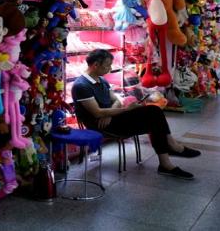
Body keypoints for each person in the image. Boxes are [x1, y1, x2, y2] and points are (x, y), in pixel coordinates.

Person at [71, 49, 200, 180]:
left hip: (110, 118)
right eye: (107, 65)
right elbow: (97, 112)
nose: (110, 69)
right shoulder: (82, 86)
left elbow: (116, 100)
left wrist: (109, 114)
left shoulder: (101, 80)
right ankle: (170, 152)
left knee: (154, 113)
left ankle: (168, 157)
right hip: (99, 125)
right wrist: (126, 110)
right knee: (153, 117)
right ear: (96, 65)